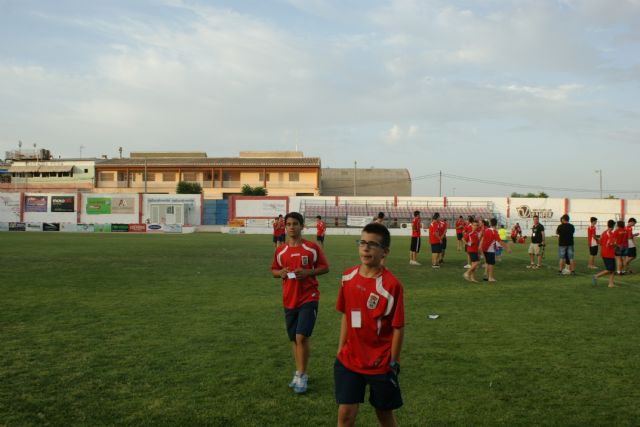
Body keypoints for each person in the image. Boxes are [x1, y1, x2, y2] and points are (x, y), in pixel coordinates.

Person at [335, 222, 404, 427]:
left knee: (384, 414)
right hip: (349, 360)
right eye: (362, 242)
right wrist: (340, 349)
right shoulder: (347, 276)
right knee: (345, 414)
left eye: (372, 245)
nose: (365, 248)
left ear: (384, 252)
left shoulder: (391, 285)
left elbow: (398, 327)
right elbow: (346, 315)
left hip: (379, 364)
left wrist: (394, 361)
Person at [271, 212, 330, 394]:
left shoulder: (311, 248)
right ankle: (298, 372)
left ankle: (302, 375)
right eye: (288, 224)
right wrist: (280, 273)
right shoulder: (280, 250)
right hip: (289, 299)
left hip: (308, 297)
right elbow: (274, 269)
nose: (291, 227)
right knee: (293, 339)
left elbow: (325, 267)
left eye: (295, 223)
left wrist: (308, 273)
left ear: (302, 226)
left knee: (301, 337)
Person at [479, 218, 510, 282]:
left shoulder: (486, 230)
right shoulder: (494, 232)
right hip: (490, 250)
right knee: (491, 264)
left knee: (487, 263)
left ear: (490, 223)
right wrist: (507, 248)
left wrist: (480, 247)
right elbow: (500, 241)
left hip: (484, 249)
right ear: (496, 224)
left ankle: (487, 276)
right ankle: (490, 278)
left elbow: (483, 238)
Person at [592, 219, 615, 288]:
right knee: (609, 269)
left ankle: (610, 284)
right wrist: (616, 245)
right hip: (609, 253)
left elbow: (600, 243)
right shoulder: (611, 234)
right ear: (613, 226)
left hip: (604, 253)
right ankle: (596, 276)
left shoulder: (604, 233)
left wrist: (596, 239)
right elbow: (611, 244)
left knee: (612, 269)